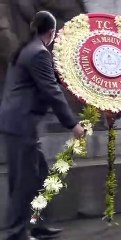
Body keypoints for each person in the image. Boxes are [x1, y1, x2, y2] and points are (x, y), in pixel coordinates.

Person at [0, 11, 85, 240]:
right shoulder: (38, 53)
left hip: (19, 123)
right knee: (23, 182)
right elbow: (52, 92)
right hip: (21, 125)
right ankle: (15, 232)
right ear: (51, 32)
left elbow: (49, 81)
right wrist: (73, 124)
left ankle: (38, 224)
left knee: (40, 178)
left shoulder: (29, 49)